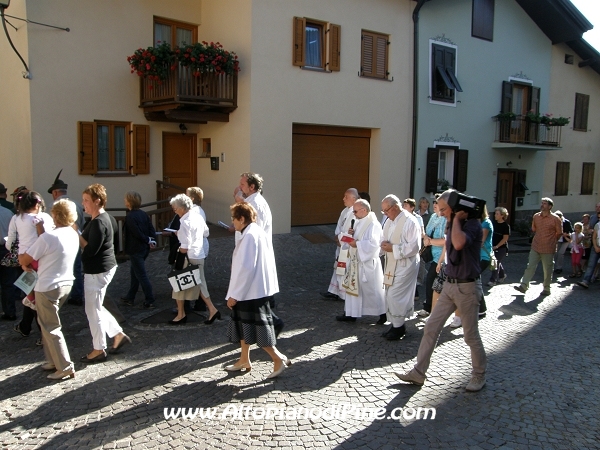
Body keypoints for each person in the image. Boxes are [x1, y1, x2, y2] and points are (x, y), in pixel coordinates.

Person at [394, 189, 487, 392]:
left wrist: (455, 220)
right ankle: (418, 373)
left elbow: (459, 242)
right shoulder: (452, 222)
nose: (441, 213)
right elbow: (449, 244)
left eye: (444, 209)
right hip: (450, 285)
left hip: (467, 286)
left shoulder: (472, 224)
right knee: (431, 327)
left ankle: (479, 375)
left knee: (470, 335)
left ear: (457, 208)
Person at [225, 203, 291, 378]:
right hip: (255, 290)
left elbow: (246, 269)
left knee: (257, 330)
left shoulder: (249, 237)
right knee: (243, 326)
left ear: (242, 218)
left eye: (234, 218)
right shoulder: (255, 232)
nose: (232, 222)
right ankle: (244, 359)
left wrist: (234, 295)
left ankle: (278, 359)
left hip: (249, 292)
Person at [18, 200, 80, 380]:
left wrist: (23, 259)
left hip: (47, 286)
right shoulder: (72, 233)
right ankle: (54, 360)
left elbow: (25, 259)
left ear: (55, 215)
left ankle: (65, 366)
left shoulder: (49, 237)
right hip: (66, 283)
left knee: (51, 327)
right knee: (47, 324)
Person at [80, 184, 130, 363]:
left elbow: (90, 250)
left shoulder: (100, 222)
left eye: (86, 200)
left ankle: (99, 348)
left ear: (97, 201)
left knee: (93, 311)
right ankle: (117, 334)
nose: (83, 203)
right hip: (102, 269)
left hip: (98, 271)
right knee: (96, 307)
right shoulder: (103, 219)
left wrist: (75, 233)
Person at [238, 172, 284, 337]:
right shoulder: (251, 201)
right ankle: (259, 328)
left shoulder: (254, 204)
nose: (240, 187)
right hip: (255, 254)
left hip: (255, 255)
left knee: (254, 296)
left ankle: (273, 323)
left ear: (252, 187)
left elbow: (253, 233)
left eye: (243, 185)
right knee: (255, 296)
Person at [7, 191, 54, 338]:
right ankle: (32, 329)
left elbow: (10, 242)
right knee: (38, 297)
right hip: (42, 259)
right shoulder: (44, 217)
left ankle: (38, 331)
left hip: (25, 259)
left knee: (32, 296)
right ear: (38, 203)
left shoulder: (16, 218)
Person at [169, 194, 220, 324]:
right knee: (200, 284)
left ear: (182, 208)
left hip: (188, 257)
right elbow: (206, 233)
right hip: (199, 255)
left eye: (175, 208)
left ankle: (181, 314)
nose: (174, 211)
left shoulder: (184, 222)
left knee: (179, 285)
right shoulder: (197, 216)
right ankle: (212, 309)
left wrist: (178, 246)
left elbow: (184, 247)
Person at [335, 199, 386, 324]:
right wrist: (349, 235)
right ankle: (351, 313)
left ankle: (383, 313)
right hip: (355, 262)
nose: (354, 213)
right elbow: (354, 238)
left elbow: (374, 244)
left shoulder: (373, 224)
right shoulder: (358, 221)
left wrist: (357, 244)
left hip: (366, 264)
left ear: (364, 210)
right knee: (352, 290)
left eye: (356, 211)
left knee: (372, 291)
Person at [380, 195, 421, 340]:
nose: (385, 214)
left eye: (386, 210)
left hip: (405, 264)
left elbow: (415, 246)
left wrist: (393, 248)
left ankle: (399, 327)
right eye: (383, 211)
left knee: (395, 295)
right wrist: (383, 246)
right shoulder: (389, 221)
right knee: (389, 293)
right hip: (392, 263)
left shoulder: (410, 221)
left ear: (395, 207)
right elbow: (383, 238)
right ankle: (396, 324)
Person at [48, 170, 86, 306]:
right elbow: (82, 224)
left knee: (59, 269)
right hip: (75, 239)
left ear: (55, 193)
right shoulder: (78, 204)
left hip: (60, 242)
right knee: (76, 268)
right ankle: (77, 295)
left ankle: (59, 295)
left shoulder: (54, 206)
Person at [514, 198, 562, 296]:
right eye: (542, 203)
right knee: (530, 266)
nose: (542, 205)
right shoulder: (536, 216)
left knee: (547, 269)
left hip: (548, 247)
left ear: (550, 206)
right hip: (536, 245)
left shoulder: (555, 219)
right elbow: (534, 229)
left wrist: (552, 241)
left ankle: (547, 288)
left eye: (545, 204)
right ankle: (524, 285)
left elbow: (559, 233)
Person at [321, 188, 360, 301]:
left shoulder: (355, 212)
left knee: (344, 268)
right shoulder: (345, 211)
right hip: (341, 243)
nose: (343, 199)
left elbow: (355, 231)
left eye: (346, 197)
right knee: (337, 266)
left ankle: (343, 293)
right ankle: (334, 290)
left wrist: (340, 239)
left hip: (347, 246)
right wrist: (337, 236)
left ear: (353, 198)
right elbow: (339, 226)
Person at [120, 191, 156, 308]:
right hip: (143, 249)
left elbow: (136, 233)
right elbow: (151, 228)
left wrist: (147, 240)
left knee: (141, 275)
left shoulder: (130, 216)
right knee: (134, 273)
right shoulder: (143, 214)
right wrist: (152, 240)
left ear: (129, 202)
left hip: (135, 249)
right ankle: (130, 297)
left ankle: (150, 299)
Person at [417, 195, 446, 317]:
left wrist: (431, 241)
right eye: (434, 202)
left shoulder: (446, 219)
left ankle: (430, 308)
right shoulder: (433, 217)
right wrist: (425, 238)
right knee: (434, 283)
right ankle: (431, 307)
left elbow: (446, 241)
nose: (434, 204)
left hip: (443, 256)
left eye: (437, 203)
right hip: (433, 254)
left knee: (432, 281)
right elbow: (427, 234)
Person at [186, 186, 209, 312]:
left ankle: (201, 304)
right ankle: (199, 304)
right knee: (198, 277)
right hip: (200, 246)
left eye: (187, 195)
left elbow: (203, 232)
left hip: (196, 248)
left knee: (197, 277)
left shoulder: (194, 212)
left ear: (192, 198)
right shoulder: (199, 210)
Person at [0, 204, 20, 322]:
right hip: (6, 248)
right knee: (8, 283)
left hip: (6, 247)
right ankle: (10, 312)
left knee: (8, 283)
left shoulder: (8, 213)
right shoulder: (8, 213)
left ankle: (9, 311)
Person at [577, 211, 600, 289]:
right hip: (596, 246)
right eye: (598, 217)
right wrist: (596, 246)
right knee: (591, 264)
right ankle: (585, 281)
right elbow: (594, 237)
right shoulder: (597, 225)